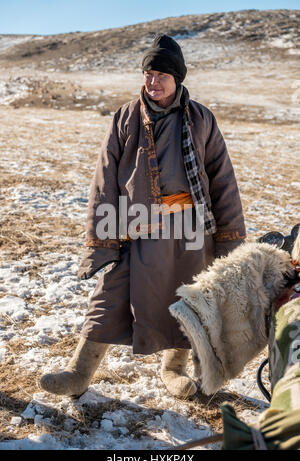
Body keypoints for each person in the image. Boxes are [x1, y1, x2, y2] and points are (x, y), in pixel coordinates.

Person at [40, 34, 246, 399]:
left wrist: (230, 238)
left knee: (187, 298)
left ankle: (173, 369)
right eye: (148, 74)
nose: (152, 82)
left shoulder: (201, 118)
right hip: (135, 223)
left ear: (177, 79)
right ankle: (78, 372)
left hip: (188, 225)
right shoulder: (125, 116)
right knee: (110, 294)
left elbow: (222, 178)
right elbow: (105, 177)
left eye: (161, 75)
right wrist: (102, 239)